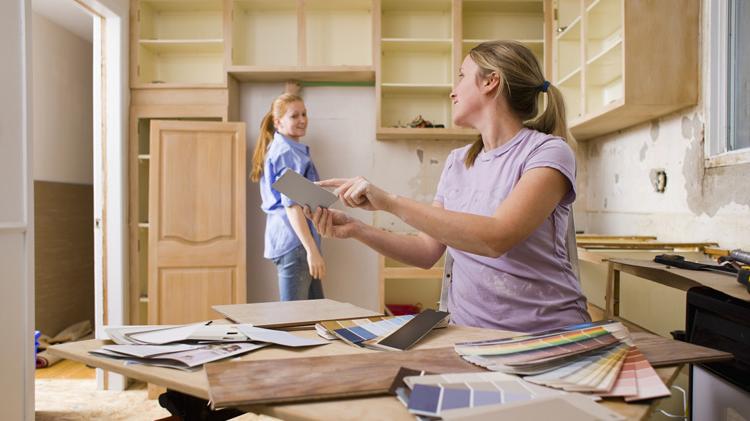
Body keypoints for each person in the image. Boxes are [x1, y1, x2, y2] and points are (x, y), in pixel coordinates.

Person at [305, 40, 590, 332]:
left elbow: (496, 238)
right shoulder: (458, 162)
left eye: (462, 75)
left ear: (491, 81)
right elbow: (426, 250)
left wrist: (389, 201)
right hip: (469, 334)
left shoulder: (547, 152)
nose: (453, 90)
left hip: (545, 334)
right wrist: (355, 228)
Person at [251, 92, 325, 301]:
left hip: (295, 242)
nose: (302, 120)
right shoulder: (286, 153)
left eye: (304, 114)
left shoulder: (289, 149)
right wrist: (312, 250)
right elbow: (292, 205)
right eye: (294, 116)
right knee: (294, 318)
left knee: (315, 315)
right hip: (296, 244)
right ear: (278, 122)